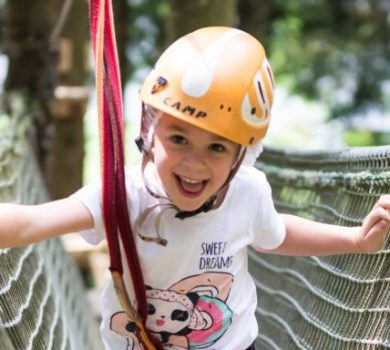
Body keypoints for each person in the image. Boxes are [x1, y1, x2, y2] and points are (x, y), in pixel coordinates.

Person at [0, 27, 390, 350]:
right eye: (179, 139)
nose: (194, 163)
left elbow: (278, 234)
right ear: (150, 131)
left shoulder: (247, 191)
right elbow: (32, 221)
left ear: (243, 156)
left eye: (217, 147)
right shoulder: (124, 194)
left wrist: (355, 240)